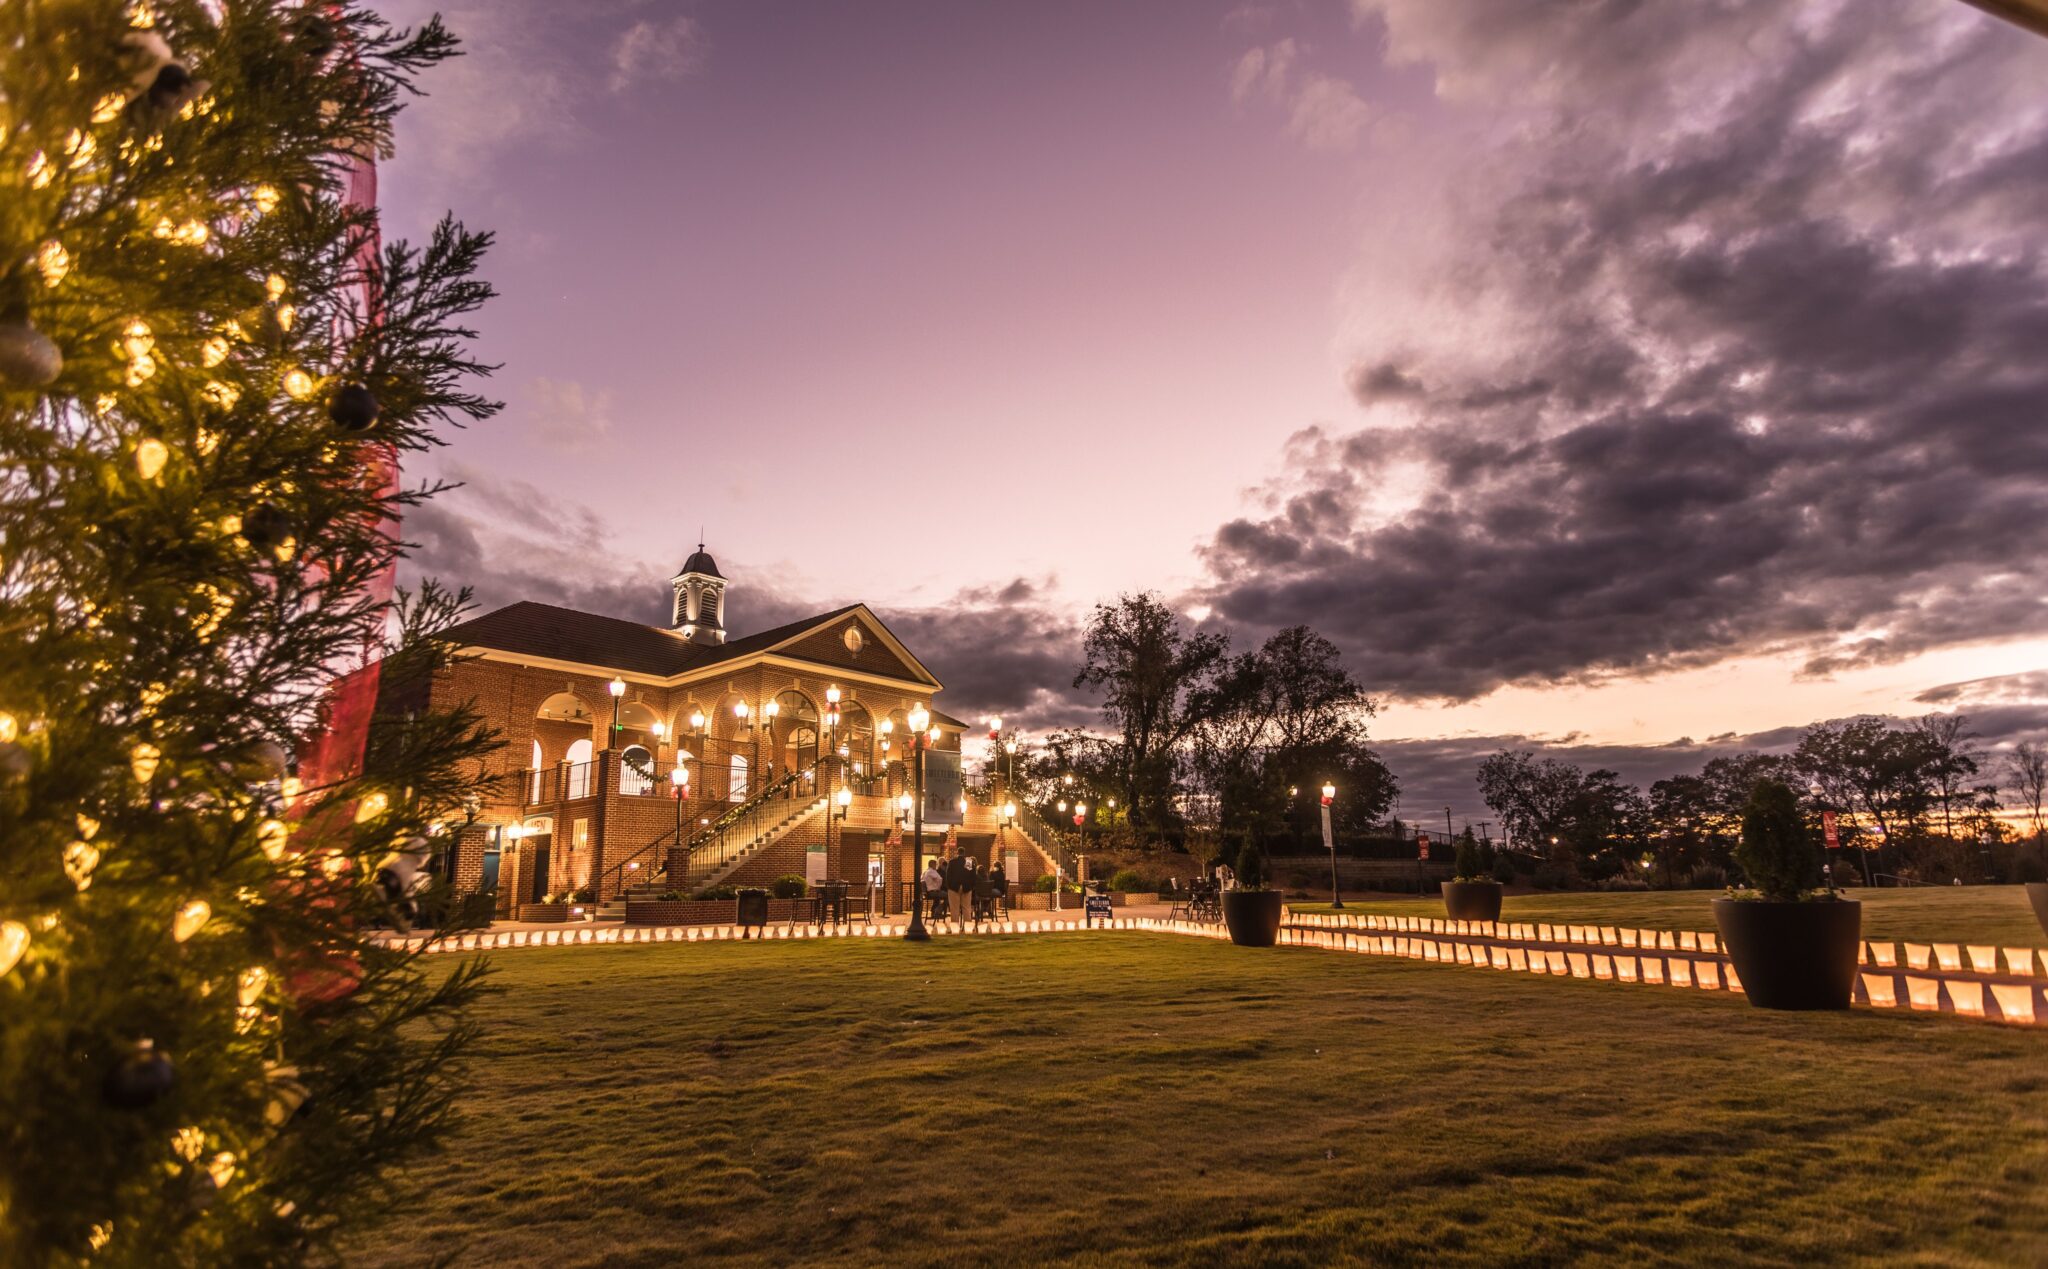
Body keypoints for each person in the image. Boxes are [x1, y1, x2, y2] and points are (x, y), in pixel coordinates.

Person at [945, 852, 972, 928]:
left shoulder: (952, 862)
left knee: (954, 909)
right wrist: (970, 886)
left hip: (954, 887)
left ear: (957, 853)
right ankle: (968, 927)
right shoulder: (968, 861)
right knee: (966, 908)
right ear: (964, 853)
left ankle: (955, 927)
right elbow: (971, 874)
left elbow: (948, 875)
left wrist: (949, 886)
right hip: (966, 887)